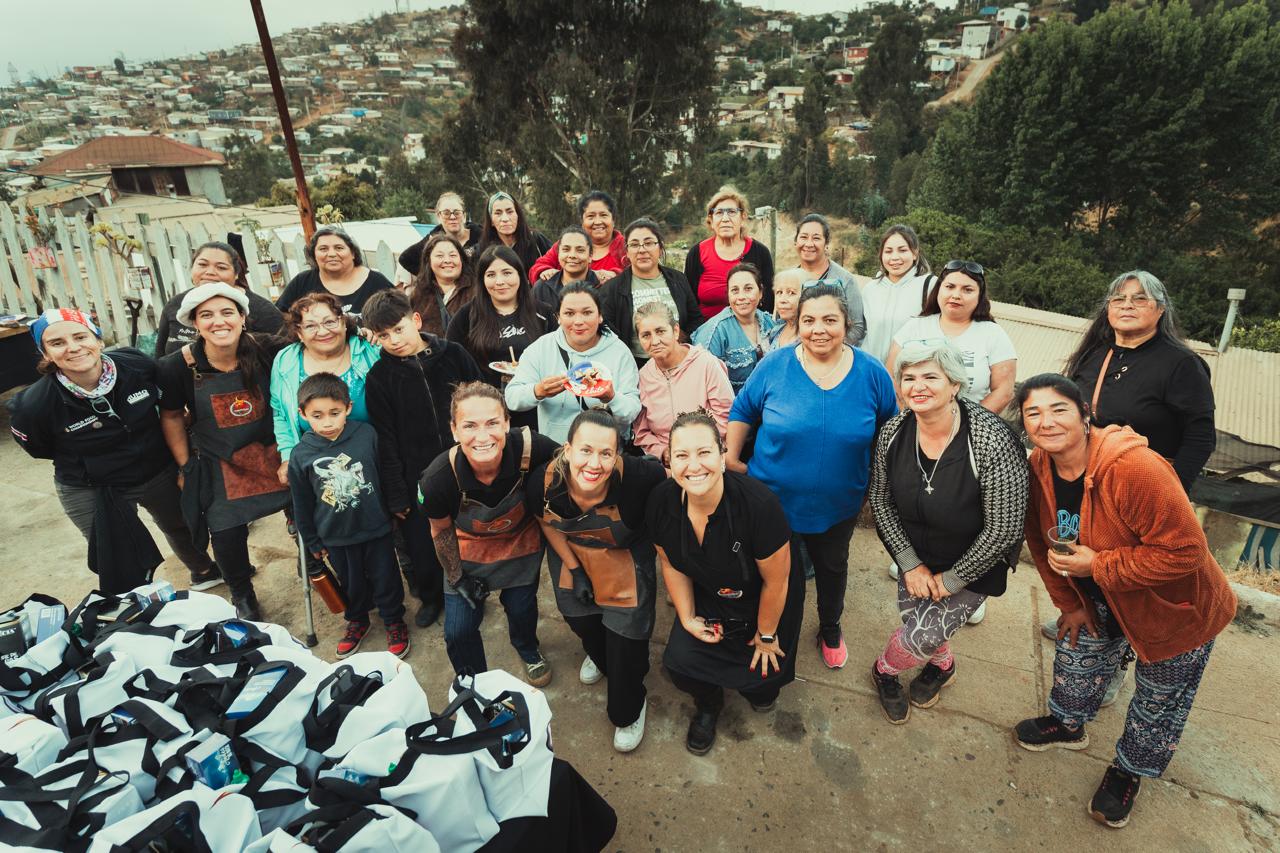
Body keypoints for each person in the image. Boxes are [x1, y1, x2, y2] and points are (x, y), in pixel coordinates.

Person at [1012, 374, 1235, 830]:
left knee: (1158, 701)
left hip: (1173, 608)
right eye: (1033, 412)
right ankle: (1068, 723)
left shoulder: (1134, 468)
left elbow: (1187, 552)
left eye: (1059, 409)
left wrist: (1099, 567)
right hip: (1096, 599)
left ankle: (1129, 770)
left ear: (1085, 415)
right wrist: (1068, 602)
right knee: (1075, 664)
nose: (1046, 421)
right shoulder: (1039, 466)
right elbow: (1040, 541)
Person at [1043, 271, 1216, 689]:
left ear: (1160, 309)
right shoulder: (1096, 354)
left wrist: (1173, 488)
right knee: (1084, 561)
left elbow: (1200, 433)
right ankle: (1090, 624)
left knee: (1130, 576)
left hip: (1140, 490)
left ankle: (1119, 657)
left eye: (1140, 299)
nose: (1127, 304)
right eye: (1118, 298)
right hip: (1083, 484)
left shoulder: (1181, 364)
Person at [727, 285, 897, 669]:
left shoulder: (873, 375)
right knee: (772, 571)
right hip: (771, 501)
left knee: (832, 568)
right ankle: (768, 628)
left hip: (839, 504)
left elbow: (890, 433)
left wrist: (879, 486)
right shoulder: (775, 364)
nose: (819, 329)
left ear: (847, 324)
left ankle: (830, 626)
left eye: (829, 320)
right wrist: (732, 458)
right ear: (797, 323)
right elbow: (743, 409)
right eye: (809, 320)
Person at [865, 341, 1029, 723]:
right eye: (908, 378)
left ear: (954, 384)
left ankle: (884, 672)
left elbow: (1005, 527)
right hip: (917, 556)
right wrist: (909, 563)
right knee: (918, 623)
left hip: (972, 562)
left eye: (930, 376)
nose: (917, 386)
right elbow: (881, 499)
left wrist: (953, 579)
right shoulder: (893, 431)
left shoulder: (991, 439)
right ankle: (943, 666)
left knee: (919, 637)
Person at [8, 308, 219, 593]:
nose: (73, 348)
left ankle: (203, 570)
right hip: (91, 485)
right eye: (57, 343)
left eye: (80, 336)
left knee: (182, 525)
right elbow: (39, 448)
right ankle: (135, 602)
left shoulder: (137, 366)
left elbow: (170, 398)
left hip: (155, 468)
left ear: (98, 339)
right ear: (45, 353)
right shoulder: (32, 406)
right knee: (117, 553)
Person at [647, 411, 804, 755]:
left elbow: (777, 583)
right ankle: (708, 704)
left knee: (765, 682)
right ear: (669, 462)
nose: (694, 466)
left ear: (722, 456)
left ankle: (757, 690)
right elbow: (670, 563)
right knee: (679, 665)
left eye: (704, 452)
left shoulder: (759, 505)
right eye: (682, 455)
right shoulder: (661, 502)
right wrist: (687, 617)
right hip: (711, 594)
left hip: (765, 597)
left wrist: (765, 635)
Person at [528, 409, 666, 751]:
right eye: (586, 450)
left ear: (617, 455)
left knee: (626, 645)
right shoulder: (543, 484)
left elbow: (673, 488)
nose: (595, 463)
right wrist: (575, 571)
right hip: (571, 550)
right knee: (581, 619)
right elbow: (546, 523)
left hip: (624, 556)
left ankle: (630, 705)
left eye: (606, 453)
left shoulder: (638, 478)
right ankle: (602, 655)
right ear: (568, 449)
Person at [157, 283, 292, 620]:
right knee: (225, 527)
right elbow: (172, 416)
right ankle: (242, 594)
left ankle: (316, 564)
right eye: (207, 315)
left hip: (273, 452)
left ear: (243, 317)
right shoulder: (178, 366)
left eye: (227, 312)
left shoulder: (268, 350)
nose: (219, 322)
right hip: (222, 460)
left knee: (307, 511)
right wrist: (186, 466)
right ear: (195, 323)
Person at [420, 383, 559, 685]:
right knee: (458, 630)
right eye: (470, 425)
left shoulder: (531, 448)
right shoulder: (437, 478)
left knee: (522, 608)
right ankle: (475, 683)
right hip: (467, 553)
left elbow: (570, 463)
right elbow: (440, 530)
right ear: (454, 430)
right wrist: (457, 578)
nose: (482, 436)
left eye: (492, 423)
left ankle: (527, 649)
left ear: (507, 423)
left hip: (520, 546)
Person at [362, 289, 484, 629]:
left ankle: (471, 586)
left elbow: (482, 400)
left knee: (470, 531)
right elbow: (384, 439)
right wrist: (397, 490)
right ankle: (431, 597)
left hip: (466, 463)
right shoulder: (379, 378)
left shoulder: (454, 355)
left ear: (415, 320)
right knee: (423, 541)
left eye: (399, 329)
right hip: (417, 475)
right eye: (384, 336)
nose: (394, 340)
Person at [288, 373, 408, 659]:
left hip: (376, 527)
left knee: (386, 576)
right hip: (335, 535)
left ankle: (393, 620)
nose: (327, 422)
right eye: (317, 415)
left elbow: (386, 471)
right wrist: (312, 540)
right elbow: (301, 503)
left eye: (334, 413)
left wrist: (394, 506)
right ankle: (357, 619)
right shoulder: (301, 454)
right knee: (350, 581)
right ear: (302, 413)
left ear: (348, 408)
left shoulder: (366, 435)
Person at [504, 283, 641, 443]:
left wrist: (611, 397)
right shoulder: (541, 349)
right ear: (558, 318)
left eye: (587, 312)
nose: (578, 321)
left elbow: (631, 411)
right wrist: (538, 391)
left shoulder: (619, 352)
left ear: (600, 316)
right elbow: (512, 398)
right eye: (569, 313)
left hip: (603, 450)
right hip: (555, 449)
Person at [269, 292, 381, 481]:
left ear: (344, 323)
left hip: (374, 459)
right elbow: (280, 413)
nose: (322, 331)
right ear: (299, 333)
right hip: (318, 467)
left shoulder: (369, 350)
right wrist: (288, 456)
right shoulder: (285, 361)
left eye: (330, 322)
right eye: (310, 326)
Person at [887, 260, 1017, 414]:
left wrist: (966, 425)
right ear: (938, 290)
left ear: (979, 296)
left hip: (970, 429)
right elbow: (891, 378)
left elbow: (1004, 391)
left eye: (967, 290)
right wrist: (913, 418)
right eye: (949, 287)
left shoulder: (993, 334)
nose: (956, 295)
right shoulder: (913, 327)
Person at [446, 246, 551, 429]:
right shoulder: (467, 316)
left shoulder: (543, 313)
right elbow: (451, 363)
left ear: (520, 274)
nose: (500, 281)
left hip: (538, 409)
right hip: (487, 414)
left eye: (507, 273)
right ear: (482, 280)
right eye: (491, 275)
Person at [631, 302, 733, 465]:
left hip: (707, 456)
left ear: (676, 331)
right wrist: (662, 451)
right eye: (646, 335)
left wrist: (689, 450)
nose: (655, 341)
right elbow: (641, 431)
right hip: (667, 464)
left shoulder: (706, 364)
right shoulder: (643, 377)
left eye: (660, 331)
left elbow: (726, 416)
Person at [599, 218, 702, 361]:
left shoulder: (678, 279)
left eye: (648, 243)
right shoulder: (612, 289)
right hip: (636, 365)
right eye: (634, 244)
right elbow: (607, 333)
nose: (642, 250)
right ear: (627, 252)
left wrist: (682, 342)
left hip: (679, 361)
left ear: (660, 248)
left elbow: (695, 319)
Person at [155, 241, 282, 357]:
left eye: (221, 267)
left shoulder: (263, 311)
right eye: (202, 264)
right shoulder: (176, 304)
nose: (210, 272)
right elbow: (160, 356)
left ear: (236, 274)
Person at [684, 186, 774, 321]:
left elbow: (768, 302)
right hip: (705, 333)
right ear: (711, 220)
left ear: (743, 218)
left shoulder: (759, 252)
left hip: (750, 332)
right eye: (719, 212)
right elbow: (689, 303)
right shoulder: (697, 253)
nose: (725, 218)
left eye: (732, 212)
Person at [691, 263, 777, 393]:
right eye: (735, 290)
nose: (741, 296)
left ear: (760, 292)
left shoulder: (769, 322)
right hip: (731, 408)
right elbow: (702, 384)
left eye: (748, 289)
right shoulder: (715, 331)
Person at [275, 226, 394, 317]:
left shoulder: (376, 282)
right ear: (314, 255)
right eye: (323, 249)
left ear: (352, 253)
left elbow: (400, 316)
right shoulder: (302, 282)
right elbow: (279, 316)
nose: (331, 254)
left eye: (339, 248)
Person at [860, 223, 935, 363]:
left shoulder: (930, 285)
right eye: (888, 251)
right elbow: (862, 331)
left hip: (909, 375)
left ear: (914, 253)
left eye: (902, 250)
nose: (895, 257)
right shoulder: (870, 289)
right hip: (870, 372)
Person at [792, 213, 865, 345]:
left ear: (826, 244)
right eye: (803, 237)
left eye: (816, 238)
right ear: (796, 241)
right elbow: (781, 322)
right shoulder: (790, 280)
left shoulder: (845, 280)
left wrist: (828, 349)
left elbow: (857, 327)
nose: (809, 244)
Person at [529, 191, 627, 284]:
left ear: (613, 220)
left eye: (603, 215)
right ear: (582, 221)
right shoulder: (567, 243)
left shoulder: (626, 247)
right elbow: (536, 268)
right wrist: (545, 271)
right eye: (591, 216)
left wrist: (615, 275)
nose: (597, 222)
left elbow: (637, 275)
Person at [407, 233, 478, 337]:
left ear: (461, 259)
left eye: (453, 255)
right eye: (439, 256)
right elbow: (400, 321)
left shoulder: (478, 290)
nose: (447, 260)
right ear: (429, 261)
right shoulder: (419, 294)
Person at [398, 190, 483, 275]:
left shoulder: (482, 236)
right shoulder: (433, 240)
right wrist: (432, 278)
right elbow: (405, 259)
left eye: (457, 213)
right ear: (439, 217)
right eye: (446, 213)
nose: (452, 217)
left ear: (464, 216)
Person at [475, 191, 552, 276]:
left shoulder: (536, 240)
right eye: (498, 213)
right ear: (491, 221)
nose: (505, 218)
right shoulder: (483, 249)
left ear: (517, 215)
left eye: (510, 212)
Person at [531, 226, 601, 315]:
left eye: (580, 250)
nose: (572, 255)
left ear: (590, 256)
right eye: (566, 249)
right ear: (558, 253)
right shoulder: (542, 288)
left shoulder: (602, 288)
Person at [762, 268, 803, 353]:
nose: (782, 300)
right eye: (779, 292)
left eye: (791, 293)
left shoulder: (809, 336)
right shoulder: (776, 331)